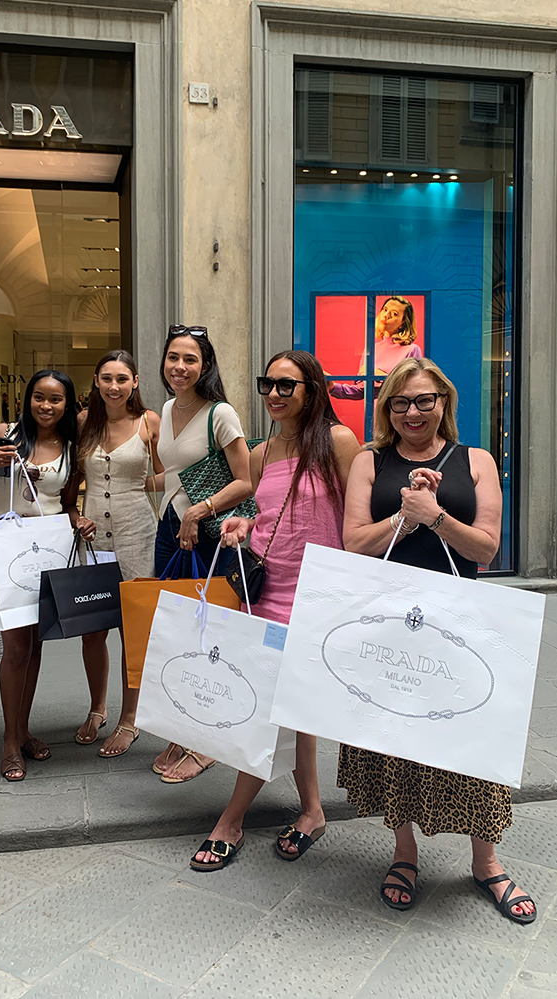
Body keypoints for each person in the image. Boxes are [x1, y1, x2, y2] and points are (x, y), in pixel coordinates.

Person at [340, 356, 536, 924]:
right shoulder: (369, 462)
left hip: (460, 624)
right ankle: (404, 853)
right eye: (400, 402)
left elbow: (487, 550)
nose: (413, 412)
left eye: (424, 400)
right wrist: (404, 514)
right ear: (387, 410)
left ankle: (487, 862)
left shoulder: (474, 460)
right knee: (394, 735)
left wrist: (435, 515)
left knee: (472, 737)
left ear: (444, 402)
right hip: (387, 621)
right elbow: (353, 544)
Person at [190, 351, 360, 870]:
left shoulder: (338, 442)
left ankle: (232, 819)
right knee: (290, 705)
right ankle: (312, 810)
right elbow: (261, 518)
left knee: (271, 705)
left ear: (313, 388)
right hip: (265, 588)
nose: (276, 393)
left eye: (289, 384)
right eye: (269, 384)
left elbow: (355, 517)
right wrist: (241, 527)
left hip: (314, 593)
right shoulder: (261, 453)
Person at [0, 369, 83, 783]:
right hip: (7, 549)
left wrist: (79, 519)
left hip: (48, 551)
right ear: (27, 398)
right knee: (14, 647)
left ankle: (23, 729)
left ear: (67, 404)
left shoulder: (71, 446)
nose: (46, 406)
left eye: (55, 399)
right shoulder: (3, 433)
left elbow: (67, 502)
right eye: (39, 397)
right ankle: (9, 741)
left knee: (35, 646)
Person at [151, 324, 253, 783]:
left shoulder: (221, 413)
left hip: (211, 530)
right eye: (174, 357)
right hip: (170, 527)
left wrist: (200, 510)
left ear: (205, 366)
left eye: (190, 359)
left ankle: (207, 736)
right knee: (174, 626)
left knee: (209, 628)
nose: (180, 367)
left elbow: (244, 482)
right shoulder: (167, 408)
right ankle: (185, 723)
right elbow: (171, 474)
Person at [66, 350, 162, 755]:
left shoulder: (149, 421)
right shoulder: (84, 423)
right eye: (107, 378)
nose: (114, 386)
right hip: (93, 537)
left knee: (133, 629)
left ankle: (130, 718)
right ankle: (97, 707)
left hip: (138, 533)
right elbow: (70, 489)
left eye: (122, 379)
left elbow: (163, 474)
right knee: (93, 628)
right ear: (96, 380)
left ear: (135, 382)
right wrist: (74, 517)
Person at [329, 296, 423, 400]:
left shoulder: (412, 350)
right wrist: (333, 387)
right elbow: (361, 391)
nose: (386, 315)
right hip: (374, 414)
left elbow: (414, 388)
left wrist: (380, 375)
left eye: (394, 313)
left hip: (399, 412)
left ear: (403, 323)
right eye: (385, 309)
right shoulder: (370, 349)